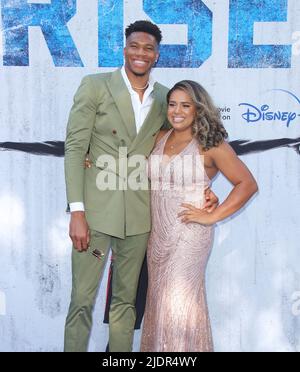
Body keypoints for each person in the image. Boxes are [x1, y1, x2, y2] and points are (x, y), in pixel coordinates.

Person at [64, 20, 218, 352]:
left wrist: (205, 186)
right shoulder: (94, 86)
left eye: (148, 48)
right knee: (81, 299)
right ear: (124, 49)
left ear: (156, 55)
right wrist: (77, 210)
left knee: (125, 305)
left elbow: (188, 143)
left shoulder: (166, 98)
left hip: (139, 216)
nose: (140, 53)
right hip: (95, 213)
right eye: (135, 46)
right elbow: (75, 148)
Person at [141, 81, 258, 352]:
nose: (177, 111)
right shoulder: (160, 137)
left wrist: (212, 216)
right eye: (172, 104)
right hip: (157, 235)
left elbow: (247, 184)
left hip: (189, 234)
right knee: (159, 303)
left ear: (198, 109)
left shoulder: (211, 144)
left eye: (185, 105)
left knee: (179, 305)